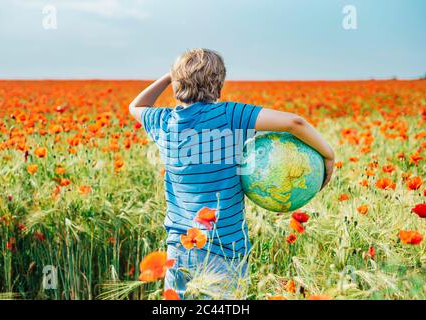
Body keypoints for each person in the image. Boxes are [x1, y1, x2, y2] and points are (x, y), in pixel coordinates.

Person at [129, 48, 335, 299]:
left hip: (179, 251)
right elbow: (295, 123)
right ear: (219, 84)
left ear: (176, 83)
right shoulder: (229, 115)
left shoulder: (163, 121)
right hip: (224, 251)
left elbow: (136, 105)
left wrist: (169, 76)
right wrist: (329, 156)